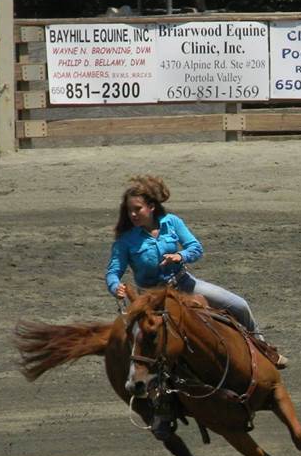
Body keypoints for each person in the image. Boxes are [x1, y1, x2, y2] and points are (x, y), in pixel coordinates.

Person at [105, 175, 287, 437]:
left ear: (151, 207)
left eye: (137, 209)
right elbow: (113, 271)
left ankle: (263, 348)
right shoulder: (126, 241)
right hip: (156, 301)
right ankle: (163, 409)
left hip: (185, 284)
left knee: (238, 304)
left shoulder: (172, 223)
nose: (133, 214)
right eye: (129, 210)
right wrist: (116, 286)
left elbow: (195, 247)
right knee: (158, 352)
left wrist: (180, 255)